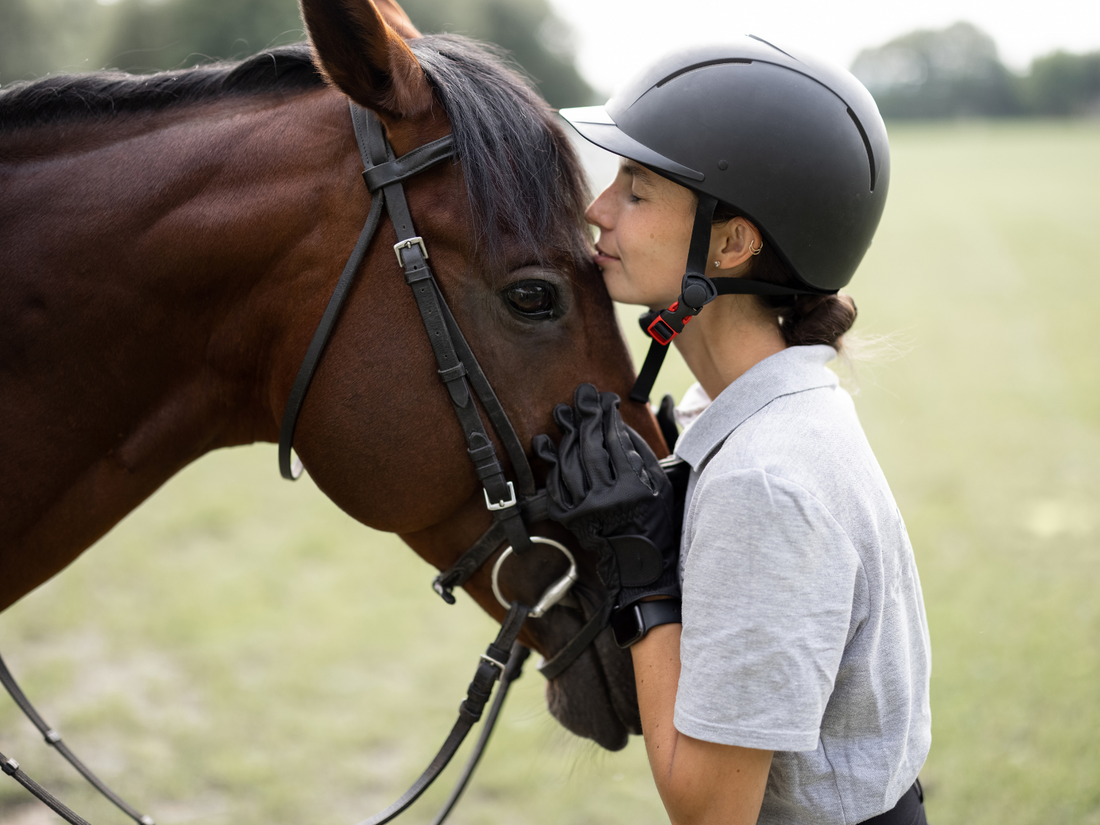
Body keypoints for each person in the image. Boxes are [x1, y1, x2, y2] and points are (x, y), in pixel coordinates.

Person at [539, 36, 931, 825]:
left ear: (732, 244)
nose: (597, 209)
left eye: (639, 190)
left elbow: (710, 810)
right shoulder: (756, 413)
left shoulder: (766, 482)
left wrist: (644, 579)